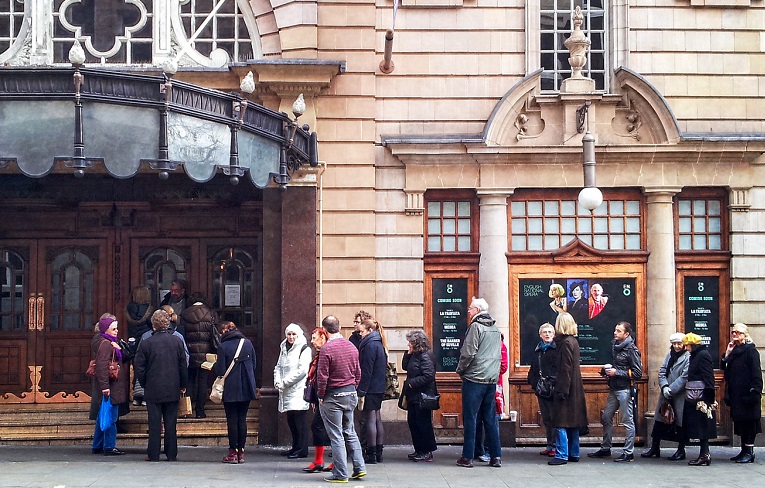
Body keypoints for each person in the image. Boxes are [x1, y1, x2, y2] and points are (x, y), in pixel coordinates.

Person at [133, 309, 188, 462]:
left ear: (153, 325)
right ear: (168, 323)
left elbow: (140, 367)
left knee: (154, 422)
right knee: (171, 423)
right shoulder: (177, 341)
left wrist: (144, 382)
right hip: (172, 387)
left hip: (153, 387)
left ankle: (153, 453)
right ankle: (171, 453)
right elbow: (183, 365)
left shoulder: (146, 343)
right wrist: (183, 384)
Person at [317, 315, 366, 483]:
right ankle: (359, 468)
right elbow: (358, 373)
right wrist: (353, 387)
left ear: (324, 330)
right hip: (350, 393)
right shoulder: (351, 346)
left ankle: (340, 473)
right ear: (339, 327)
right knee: (350, 432)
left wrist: (320, 396)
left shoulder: (326, 350)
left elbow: (322, 377)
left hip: (333, 395)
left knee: (336, 435)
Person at [455, 297, 502, 468]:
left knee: (471, 418)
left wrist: (460, 370)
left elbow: (468, 353)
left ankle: (467, 457)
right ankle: (495, 456)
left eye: (470, 308)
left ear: (477, 310)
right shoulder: (495, 329)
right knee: (490, 419)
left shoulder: (475, 327)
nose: (468, 311)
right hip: (491, 379)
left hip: (474, 379)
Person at [588, 321, 642, 462]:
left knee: (627, 420)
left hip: (625, 389)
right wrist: (606, 371)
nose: (615, 332)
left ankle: (629, 452)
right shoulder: (615, 345)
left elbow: (637, 373)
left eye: (619, 331)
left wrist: (617, 372)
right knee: (606, 417)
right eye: (615, 330)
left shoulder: (631, 349)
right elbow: (616, 365)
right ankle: (606, 448)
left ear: (627, 334)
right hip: (614, 388)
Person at [215, 320, 258, 464]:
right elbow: (254, 365)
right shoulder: (248, 343)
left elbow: (220, 371)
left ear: (224, 332)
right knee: (242, 419)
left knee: (232, 420)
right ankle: (241, 453)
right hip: (246, 387)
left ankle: (232, 452)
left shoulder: (223, 347)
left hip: (230, 389)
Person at [641, 332, 689, 460]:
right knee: (660, 420)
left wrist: (671, 389)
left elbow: (684, 377)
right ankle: (655, 447)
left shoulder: (688, 357)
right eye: (674, 344)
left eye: (679, 344)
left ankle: (681, 449)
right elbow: (662, 371)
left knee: (680, 423)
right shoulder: (669, 355)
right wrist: (664, 386)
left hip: (679, 395)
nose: (677, 346)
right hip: (666, 393)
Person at [548, 312, 587, 466]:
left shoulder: (564, 343)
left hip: (566, 388)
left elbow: (565, 368)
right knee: (573, 422)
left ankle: (562, 454)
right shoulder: (573, 342)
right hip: (575, 388)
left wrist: (561, 391)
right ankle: (574, 452)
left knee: (561, 422)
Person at [721, 323, 762, 463]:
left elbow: (756, 374)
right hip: (737, 395)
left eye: (738, 333)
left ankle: (749, 452)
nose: (734, 335)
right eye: (733, 332)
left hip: (748, 395)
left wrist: (754, 392)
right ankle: (744, 450)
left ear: (745, 335)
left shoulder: (751, 351)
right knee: (741, 424)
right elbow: (724, 368)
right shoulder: (733, 351)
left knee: (749, 424)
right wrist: (726, 354)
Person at [89, 315, 128, 456]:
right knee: (111, 416)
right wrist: (105, 386)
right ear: (106, 329)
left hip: (108, 387)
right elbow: (101, 366)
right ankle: (109, 446)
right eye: (114, 329)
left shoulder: (104, 341)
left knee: (102, 415)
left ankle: (97, 444)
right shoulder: (106, 344)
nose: (117, 331)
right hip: (111, 387)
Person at [274, 322, 312, 459]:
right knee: (291, 420)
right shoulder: (283, 347)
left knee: (299, 421)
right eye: (289, 334)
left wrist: (284, 382)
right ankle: (295, 447)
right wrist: (277, 381)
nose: (291, 337)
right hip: (286, 390)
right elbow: (278, 366)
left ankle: (302, 449)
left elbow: (302, 371)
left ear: (299, 335)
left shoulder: (304, 349)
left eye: (293, 334)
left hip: (298, 390)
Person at [402, 329, 438, 462]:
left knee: (423, 423)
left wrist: (412, 383)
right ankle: (419, 449)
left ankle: (427, 450)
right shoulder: (415, 355)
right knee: (413, 422)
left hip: (422, 396)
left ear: (416, 343)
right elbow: (405, 366)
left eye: (410, 343)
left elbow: (429, 376)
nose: (408, 345)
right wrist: (408, 353)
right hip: (414, 396)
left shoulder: (425, 356)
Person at [681, 332, 717, 466]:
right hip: (695, 396)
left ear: (693, 345)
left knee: (703, 427)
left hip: (701, 397)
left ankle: (705, 455)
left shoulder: (702, 356)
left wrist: (709, 399)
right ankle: (704, 454)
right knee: (700, 426)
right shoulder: (695, 355)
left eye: (687, 345)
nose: (686, 348)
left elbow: (708, 377)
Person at [180, 292, 218, 418]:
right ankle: (200, 411)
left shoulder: (185, 313)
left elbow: (182, 334)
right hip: (206, 353)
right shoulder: (211, 313)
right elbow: (215, 334)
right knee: (203, 381)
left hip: (189, 353)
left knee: (190, 381)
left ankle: (187, 410)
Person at [302, 327, 334, 473]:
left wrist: (320, 396)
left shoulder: (325, 353)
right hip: (322, 398)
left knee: (322, 427)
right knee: (322, 427)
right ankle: (321, 461)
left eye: (314, 338)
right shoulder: (320, 354)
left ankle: (321, 461)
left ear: (323, 337)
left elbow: (324, 377)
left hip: (328, 398)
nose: (312, 341)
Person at [356, 319, 387, 464]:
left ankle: (371, 453)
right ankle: (378, 453)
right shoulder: (379, 343)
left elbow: (366, 371)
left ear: (369, 330)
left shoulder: (370, 345)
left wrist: (361, 390)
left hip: (370, 388)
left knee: (370, 419)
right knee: (377, 418)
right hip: (379, 387)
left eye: (362, 331)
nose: (360, 334)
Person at [527, 323, 558, 458]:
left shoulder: (557, 350)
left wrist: (553, 383)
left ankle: (557, 446)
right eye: (544, 332)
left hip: (553, 389)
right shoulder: (538, 350)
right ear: (540, 335)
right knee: (546, 418)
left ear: (554, 334)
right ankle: (550, 444)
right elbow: (533, 369)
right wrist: (534, 383)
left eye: (550, 332)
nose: (547, 334)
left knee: (554, 418)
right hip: (541, 389)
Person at [125, 285, 154, 406]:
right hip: (146, 341)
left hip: (133, 342)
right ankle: (146, 396)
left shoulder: (128, 309)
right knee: (148, 369)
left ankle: (136, 396)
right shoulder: (150, 310)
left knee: (137, 368)